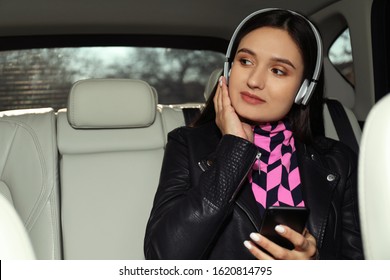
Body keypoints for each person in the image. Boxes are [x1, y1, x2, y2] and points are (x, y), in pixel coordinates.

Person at [144, 8, 364, 260]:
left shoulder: (339, 160)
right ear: (228, 70)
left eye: (278, 70)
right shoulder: (186, 143)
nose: (254, 81)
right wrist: (234, 150)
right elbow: (163, 258)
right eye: (245, 61)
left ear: (303, 89)